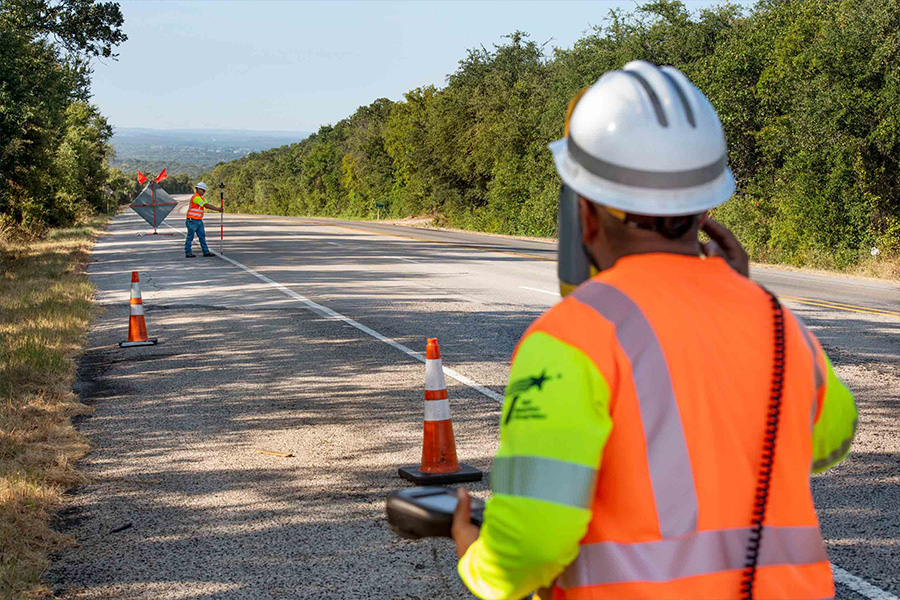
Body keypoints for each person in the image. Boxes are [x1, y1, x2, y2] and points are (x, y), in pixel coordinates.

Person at [451, 61, 857, 600]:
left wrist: (479, 563)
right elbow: (831, 439)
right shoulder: (777, 321)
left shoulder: (573, 337)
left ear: (584, 211)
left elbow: (533, 542)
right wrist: (736, 300)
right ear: (705, 208)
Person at [185, 181, 223, 258]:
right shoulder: (196, 197)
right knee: (190, 237)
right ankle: (188, 252)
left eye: (204, 191)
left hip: (198, 221)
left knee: (202, 236)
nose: (204, 192)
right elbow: (206, 205)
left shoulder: (200, 198)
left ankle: (206, 251)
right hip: (192, 220)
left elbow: (207, 205)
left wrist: (217, 208)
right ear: (198, 189)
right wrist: (218, 209)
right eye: (203, 190)